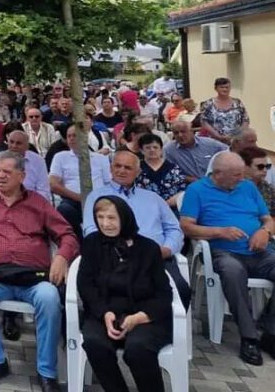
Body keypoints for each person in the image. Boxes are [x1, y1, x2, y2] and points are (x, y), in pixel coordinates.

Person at [0, 151, 79, 391]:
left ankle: (47, 371)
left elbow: (67, 235)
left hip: (33, 278)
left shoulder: (37, 203)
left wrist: (62, 258)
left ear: (21, 176)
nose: (0, 176)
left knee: (49, 297)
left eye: (7, 172)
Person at [180, 151, 275, 365]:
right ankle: (249, 337)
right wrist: (220, 232)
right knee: (233, 273)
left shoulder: (248, 187)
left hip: (259, 251)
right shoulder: (197, 190)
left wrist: (264, 232)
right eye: (235, 175)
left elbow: (268, 220)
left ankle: (270, 331)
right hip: (223, 251)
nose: (241, 179)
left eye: (242, 174)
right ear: (218, 174)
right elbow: (186, 226)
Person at [78, 196, 174, 392]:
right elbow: (86, 285)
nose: (105, 223)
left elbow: (164, 293)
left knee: (137, 349)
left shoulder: (148, 249)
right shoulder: (92, 243)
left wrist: (138, 318)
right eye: (100, 217)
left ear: (124, 218)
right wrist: (105, 313)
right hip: (105, 312)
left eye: (112, 218)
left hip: (143, 314)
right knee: (95, 344)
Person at [83, 151, 189, 307]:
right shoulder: (97, 197)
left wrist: (167, 249)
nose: (121, 171)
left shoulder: (153, 198)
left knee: (181, 290)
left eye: (127, 167)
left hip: (156, 259)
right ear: (111, 169)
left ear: (138, 172)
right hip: (114, 261)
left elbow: (174, 229)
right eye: (118, 166)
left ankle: (165, 329)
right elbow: (91, 230)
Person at [49, 125, 113, 234]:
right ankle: (80, 242)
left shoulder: (101, 159)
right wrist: (79, 197)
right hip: (72, 200)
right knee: (64, 210)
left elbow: (109, 183)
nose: (71, 139)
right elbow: (53, 184)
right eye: (69, 136)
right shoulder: (60, 157)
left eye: (75, 135)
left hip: (97, 199)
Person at [136, 133, 186, 208]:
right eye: (148, 148)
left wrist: (166, 204)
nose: (152, 150)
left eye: (155, 147)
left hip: (171, 208)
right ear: (141, 150)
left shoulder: (173, 168)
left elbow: (182, 190)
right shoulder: (136, 169)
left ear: (161, 149)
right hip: (144, 208)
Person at [199, 77, 250, 144]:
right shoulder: (208, 104)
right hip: (214, 141)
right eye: (222, 87)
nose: (225, 89)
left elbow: (245, 120)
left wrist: (237, 135)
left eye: (227, 87)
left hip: (235, 141)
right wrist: (218, 136)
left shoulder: (237, 103)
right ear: (216, 88)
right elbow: (204, 122)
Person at [241, 146, 275, 216]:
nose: (265, 170)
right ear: (245, 167)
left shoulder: (267, 188)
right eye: (260, 167)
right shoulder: (232, 186)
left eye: (267, 166)